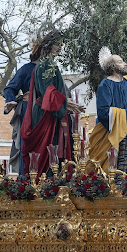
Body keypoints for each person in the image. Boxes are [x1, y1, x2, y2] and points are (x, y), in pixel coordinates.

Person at [20, 30, 84, 177]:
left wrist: (66, 103)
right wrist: (65, 103)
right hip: (45, 114)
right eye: (57, 44)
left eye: (61, 45)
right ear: (49, 45)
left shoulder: (49, 64)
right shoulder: (45, 65)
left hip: (52, 113)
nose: (60, 48)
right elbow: (47, 90)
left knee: (53, 155)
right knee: (47, 155)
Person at [3, 41, 41, 175]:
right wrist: (10, 100)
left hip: (48, 114)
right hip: (29, 111)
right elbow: (9, 88)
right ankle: (25, 183)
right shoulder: (26, 69)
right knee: (28, 147)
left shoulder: (53, 70)